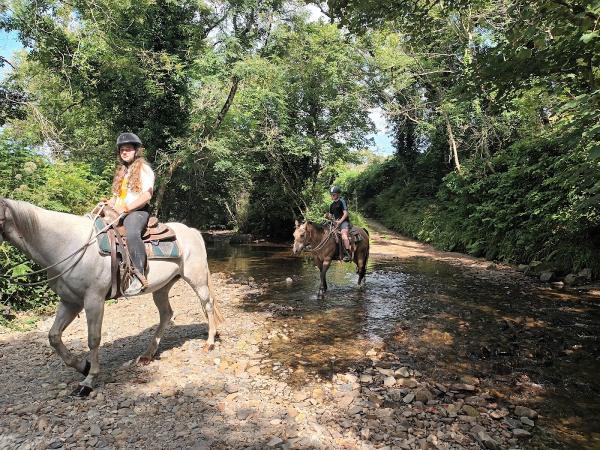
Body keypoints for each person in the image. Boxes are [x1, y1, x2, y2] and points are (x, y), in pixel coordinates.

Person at [107, 132, 155, 296]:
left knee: (132, 232)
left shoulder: (144, 169)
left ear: (136, 151)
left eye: (128, 149)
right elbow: (116, 197)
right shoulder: (122, 172)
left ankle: (139, 275)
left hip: (137, 212)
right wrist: (108, 204)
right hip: (118, 213)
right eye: (122, 150)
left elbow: (147, 195)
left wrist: (126, 209)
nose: (124, 152)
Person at [328, 186, 352, 262]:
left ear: (338, 194)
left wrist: (340, 222)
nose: (332, 196)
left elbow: (345, 214)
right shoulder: (331, 205)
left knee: (344, 234)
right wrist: (328, 217)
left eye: (334, 194)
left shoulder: (342, 201)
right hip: (335, 223)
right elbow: (331, 216)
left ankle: (348, 253)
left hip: (343, 222)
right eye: (331, 195)